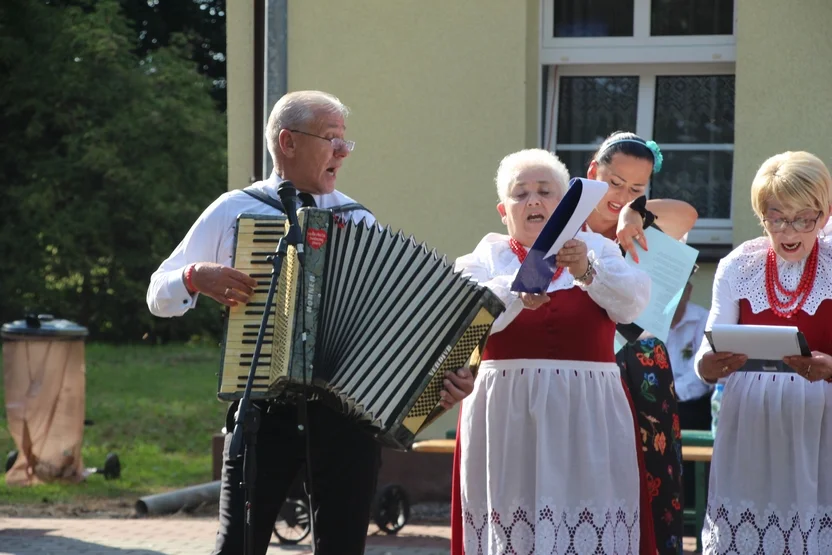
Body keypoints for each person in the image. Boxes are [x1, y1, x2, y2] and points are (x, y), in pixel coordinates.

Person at [146, 90, 473, 555]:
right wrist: (195, 277)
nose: (342, 151)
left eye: (345, 142)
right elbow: (159, 294)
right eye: (331, 139)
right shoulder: (235, 210)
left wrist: (443, 377)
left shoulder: (358, 220)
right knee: (237, 547)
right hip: (263, 411)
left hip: (346, 417)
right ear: (288, 142)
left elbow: (393, 323)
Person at [452, 148, 653, 554]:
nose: (533, 201)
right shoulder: (486, 257)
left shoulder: (597, 248)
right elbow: (462, 315)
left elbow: (633, 303)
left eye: (545, 192)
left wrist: (586, 272)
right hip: (507, 415)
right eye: (520, 194)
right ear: (502, 210)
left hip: (588, 413)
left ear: (568, 206)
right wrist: (516, 290)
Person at [694, 151, 832, 554]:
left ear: (823, 216)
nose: (788, 230)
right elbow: (709, 346)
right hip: (749, 423)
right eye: (776, 217)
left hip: (819, 423)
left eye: (802, 218)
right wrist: (708, 365)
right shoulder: (740, 264)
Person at [584, 131, 698, 555]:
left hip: (643, 363)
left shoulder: (641, 221)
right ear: (593, 171)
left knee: (652, 474)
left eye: (636, 187)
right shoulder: (567, 223)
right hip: (588, 361)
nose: (621, 195)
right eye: (615, 183)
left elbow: (687, 215)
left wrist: (637, 209)